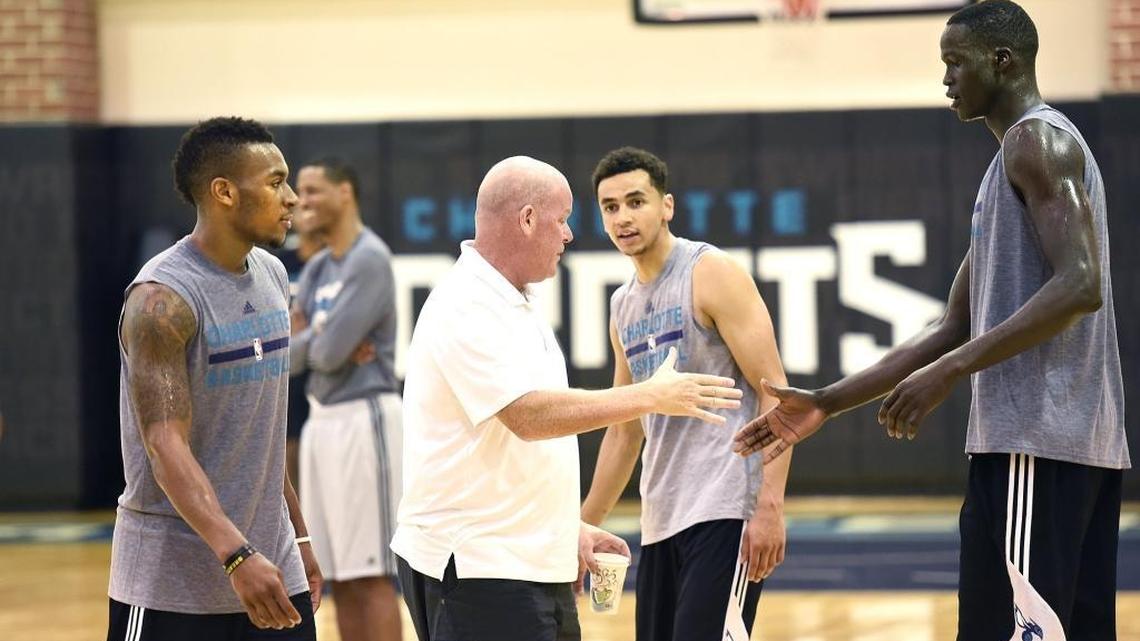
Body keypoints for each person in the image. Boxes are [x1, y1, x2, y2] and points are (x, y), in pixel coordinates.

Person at [734, 2, 1129, 640]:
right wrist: (828, 403)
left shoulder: (1036, 140)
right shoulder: (1010, 163)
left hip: (1035, 444)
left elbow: (1081, 285)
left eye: (956, 63)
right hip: (1072, 449)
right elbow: (953, 324)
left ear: (1003, 62)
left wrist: (952, 370)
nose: (946, 79)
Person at [391, 156, 745, 641]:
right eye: (562, 219)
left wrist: (567, 529)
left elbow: (520, 445)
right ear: (529, 219)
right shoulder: (465, 304)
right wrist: (647, 397)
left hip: (528, 562)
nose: (569, 235)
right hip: (479, 570)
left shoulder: (515, 300)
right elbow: (529, 417)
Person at [106, 116, 322, 641]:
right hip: (171, 582)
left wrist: (300, 540)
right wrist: (235, 554)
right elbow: (164, 446)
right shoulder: (161, 299)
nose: (292, 198)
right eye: (275, 183)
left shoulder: (273, 275)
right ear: (223, 192)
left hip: (271, 566)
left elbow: (263, 434)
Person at [581, 147, 791, 641]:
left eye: (636, 201)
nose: (623, 217)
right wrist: (582, 526)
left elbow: (778, 395)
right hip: (660, 520)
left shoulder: (709, 272)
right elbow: (624, 430)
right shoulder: (622, 305)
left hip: (724, 510)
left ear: (666, 206)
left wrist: (769, 507)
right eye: (610, 207)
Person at [289, 157, 403, 641]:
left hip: (365, 419)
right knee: (337, 574)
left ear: (345, 193)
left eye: (313, 190)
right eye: (299, 191)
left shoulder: (370, 258)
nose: (300, 201)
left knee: (371, 572)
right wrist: (322, 338)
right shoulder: (316, 268)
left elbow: (330, 353)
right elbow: (287, 355)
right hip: (322, 420)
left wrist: (316, 339)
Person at [274, 207, 325, 486]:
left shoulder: (336, 264)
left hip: (322, 364)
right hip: (289, 364)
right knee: (289, 442)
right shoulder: (280, 263)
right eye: (303, 208)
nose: (309, 215)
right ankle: (296, 519)